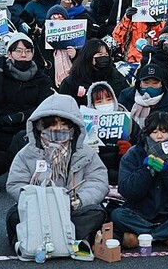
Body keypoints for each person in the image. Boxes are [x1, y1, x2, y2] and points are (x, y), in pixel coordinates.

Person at [6, 94, 111, 248]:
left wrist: (79, 200)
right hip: (38, 210)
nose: (58, 128)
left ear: (74, 126)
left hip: (72, 210)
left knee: (97, 212)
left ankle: (48, 238)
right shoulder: (27, 153)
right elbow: (15, 184)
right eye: (52, 124)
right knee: (14, 214)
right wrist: (37, 199)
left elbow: (98, 181)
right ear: (40, 125)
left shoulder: (85, 152)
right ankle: (65, 238)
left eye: (64, 123)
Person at [112, 111, 168, 249]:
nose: (159, 136)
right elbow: (126, 190)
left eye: (164, 131)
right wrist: (146, 171)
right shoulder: (133, 153)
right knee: (117, 214)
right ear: (147, 133)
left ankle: (148, 235)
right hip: (139, 213)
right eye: (154, 132)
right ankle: (166, 234)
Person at [0, 33, 54, 179]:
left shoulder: (42, 78)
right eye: (19, 51)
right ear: (10, 53)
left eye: (28, 51)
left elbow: (45, 107)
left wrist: (22, 117)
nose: (23, 55)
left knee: (18, 146)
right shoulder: (2, 73)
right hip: (2, 128)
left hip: (28, 130)